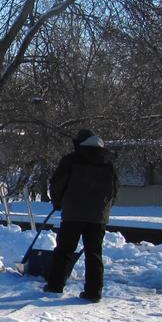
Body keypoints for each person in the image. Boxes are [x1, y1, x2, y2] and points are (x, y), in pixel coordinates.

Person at [43, 129, 119, 303]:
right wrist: (104, 208)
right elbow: (114, 190)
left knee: (64, 251)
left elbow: (57, 184)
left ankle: (55, 285)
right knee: (94, 254)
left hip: (73, 214)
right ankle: (94, 291)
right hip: (98, 216)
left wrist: (58, 203)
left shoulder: (71, 160)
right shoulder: (108, 162)